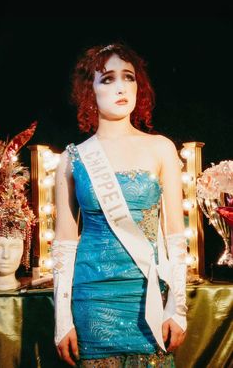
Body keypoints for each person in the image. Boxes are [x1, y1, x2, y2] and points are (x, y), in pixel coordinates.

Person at [52, 42, 187, 367]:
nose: (121, 86)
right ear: (89, 89)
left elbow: (176, 238)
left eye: (128, 77)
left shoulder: (161, 148)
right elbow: (64, 245)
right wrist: (62, 320)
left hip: (148, 296)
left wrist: (177, 308)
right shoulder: (73, 159)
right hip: (91, 299)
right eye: (107, 78)